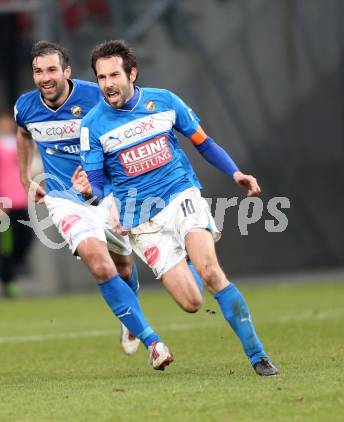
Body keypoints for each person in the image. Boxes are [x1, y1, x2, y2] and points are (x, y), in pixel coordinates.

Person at [77, 39, 280, 376]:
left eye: (114, 75)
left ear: (132, 73)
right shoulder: (92, 126)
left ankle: (258, 356)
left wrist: (236, 172)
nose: (108, 84)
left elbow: (204, 143)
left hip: (180, 196)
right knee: (191, 303)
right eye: (101, 77)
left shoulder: (165, 102)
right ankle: (184, 257)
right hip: (141, 222)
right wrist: (91, 193)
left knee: (211, 272)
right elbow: (97, 182)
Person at [14, 40, 175, 369]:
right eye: (38, 71)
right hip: (64, 200)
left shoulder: (94, 96)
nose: (45, 77)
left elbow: (124, 128)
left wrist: (98, 173)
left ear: (67, 71)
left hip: (107, 194)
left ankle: (129, 318)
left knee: (124, 267)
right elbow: (24, 133)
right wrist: (24, 176)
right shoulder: (26, 107)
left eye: (51, 70)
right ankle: (152, 342)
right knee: (99, 265)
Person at [0, 111, 34, 298]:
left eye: (8, 120)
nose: (6, 124)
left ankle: (11, 270)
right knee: (6, 244)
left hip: (20, 199)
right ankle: (7, 281)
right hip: (2, 202)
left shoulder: (17, 140)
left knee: (26, 237)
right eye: (2, 121)